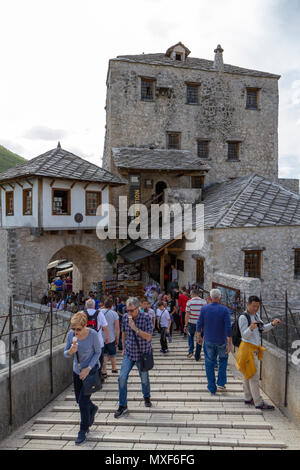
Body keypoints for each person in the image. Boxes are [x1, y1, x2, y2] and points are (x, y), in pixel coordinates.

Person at [236, 296, 281, 410]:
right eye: (254, 306)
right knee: (254, 377)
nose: (256, 308)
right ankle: (258, 402)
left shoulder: (255, 315)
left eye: (257, 306)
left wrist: (272, 324)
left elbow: (262, 328)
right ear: (248, 304)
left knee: (248, 375)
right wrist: (250, 328)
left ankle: (248, 398)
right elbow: (244, 335)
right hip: (247, 350)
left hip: (253, 349)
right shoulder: (243, 317)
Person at [64, 312, 101, 445]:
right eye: (73, 329)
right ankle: (93, 408)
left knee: (83, 402)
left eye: (78, 329)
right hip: (77, 372)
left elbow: (98, 352)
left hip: (90, 372)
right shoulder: (71, 335)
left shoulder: (93, 335)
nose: (76, 332)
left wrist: (88, 368)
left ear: (85, 325)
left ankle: (83, 429)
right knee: (79, 401)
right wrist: (70, 352)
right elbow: (65, 353)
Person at [114, 297, 153, 418]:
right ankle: (122, 405)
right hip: (129, 353)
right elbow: (124, 333)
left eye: (132, 310)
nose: (129, 313)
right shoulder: (125, 318)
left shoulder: (146, 318)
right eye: (127, 310)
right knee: (121, 378)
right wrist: (124, 348)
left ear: (138, 308)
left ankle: (146, 397)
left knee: (144, 379)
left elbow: (148, 337)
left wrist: (135, 329)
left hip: (142, 354)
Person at [196, 289, 232, 395]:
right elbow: (228, 327)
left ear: (211, 298)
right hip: (221, 340)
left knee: (209, 363)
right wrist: (229, 342)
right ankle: (221, 383)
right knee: (223, 360)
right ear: (220, 298)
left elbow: (199, 324)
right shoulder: (225, 310)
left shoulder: (204, 308)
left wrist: (199, 336)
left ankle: (212, 387)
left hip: (208, 340)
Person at [184, 289, 206, 361]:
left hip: (191, 323)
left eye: (190, 294)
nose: (190, 296)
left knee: (190, 337)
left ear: (193, 294)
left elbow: (187, 314)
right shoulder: (203, 302)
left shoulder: (189, 302)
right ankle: (197, 356)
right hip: (201, 324)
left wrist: (185, 325)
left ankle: (190, 351)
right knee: (199, 339)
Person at [100, 299, 120, 377]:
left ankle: (104, 370)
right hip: (111, 336)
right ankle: (114, 368)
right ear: (111, 306)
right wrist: (117, 338)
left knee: (104, 353)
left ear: (104, 305)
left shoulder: (100, 312)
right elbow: (117, 327)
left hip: (101, 337)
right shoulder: (114, 314)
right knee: (112, 353)